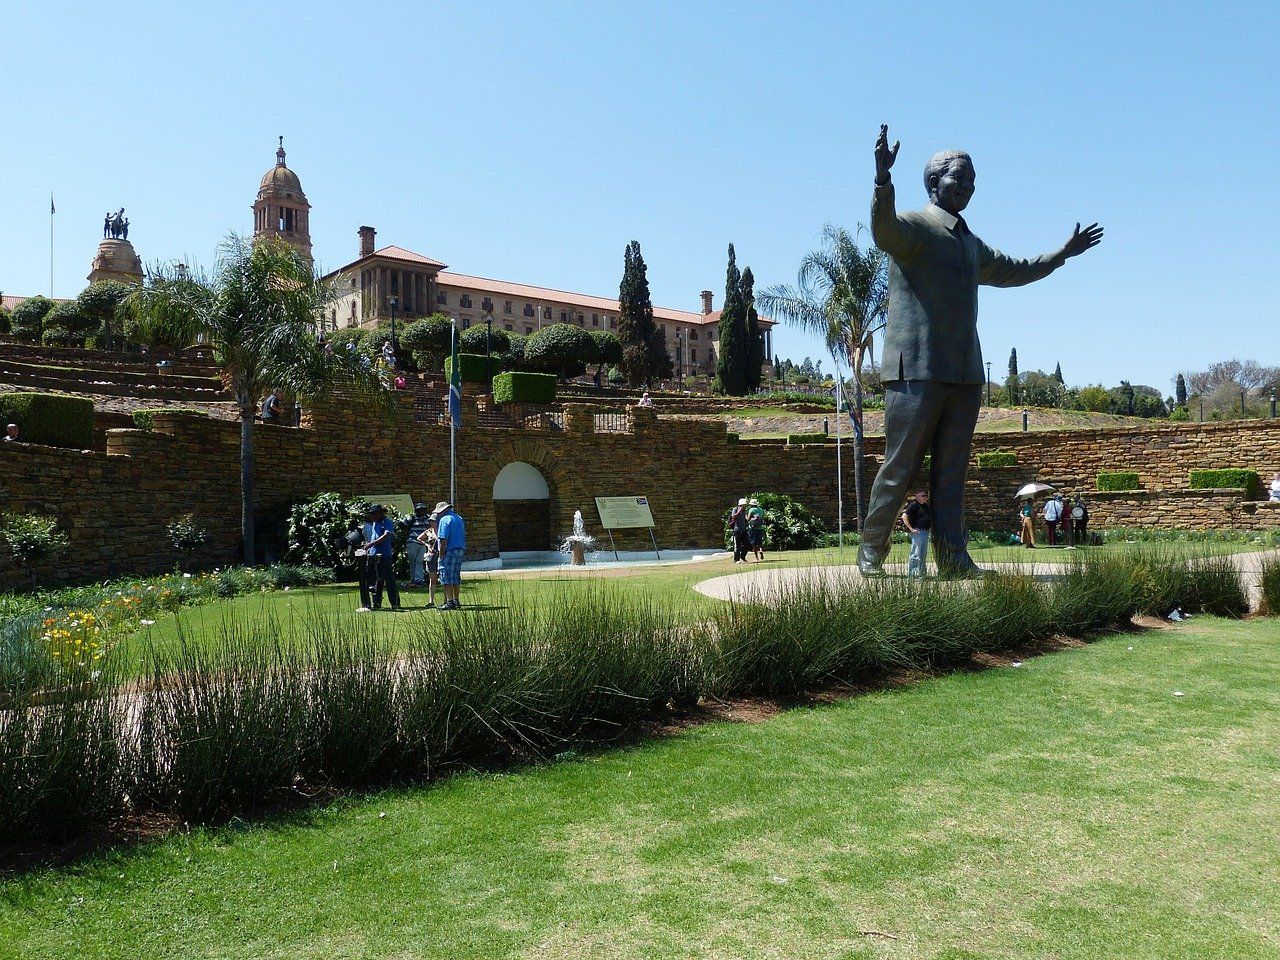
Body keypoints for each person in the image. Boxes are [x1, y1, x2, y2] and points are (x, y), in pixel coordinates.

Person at [856, 124, 1102, 579]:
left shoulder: (970, 244)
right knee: (900, 468)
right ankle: (871, 553)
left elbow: (1017, 270)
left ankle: (953, 557)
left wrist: (1062, 253)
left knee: (951, 476)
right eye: (958, 179)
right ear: (934, 184)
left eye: (972, 181)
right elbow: (882, 230)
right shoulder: (913, 227)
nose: (967, 188)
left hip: (964, 373)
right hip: (916, 372)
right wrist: (881, 181)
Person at [360, 504, 400, 611]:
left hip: (384, 554)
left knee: (389, 579)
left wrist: (372, 543)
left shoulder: (387, 522)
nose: (373, 516)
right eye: (372, 514)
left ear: (381, 513)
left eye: (375, 514)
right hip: (373, 554)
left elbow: (387, 535)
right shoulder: (374, 523)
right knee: (376, 580)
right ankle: (376, 603)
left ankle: (395, 603)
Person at [433, 501, 466, 611]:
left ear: (443, 511)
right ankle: (456, 600)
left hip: (449, 551)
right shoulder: (459, 518)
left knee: (445, 575)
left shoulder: (444, 519)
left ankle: (449, 601)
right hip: (460, 550)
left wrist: (441, 554)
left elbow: (443, 539)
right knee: (455, 575)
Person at [902, 489, 931, 577]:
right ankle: (913, 575)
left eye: (926, 495)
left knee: (923, 554)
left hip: (925, 532)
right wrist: (911, 529)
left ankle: (922, 574)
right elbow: (904, 516)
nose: (925, 497)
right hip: (918, 532)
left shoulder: (925, 506)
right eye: (923, 495)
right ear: (917, 496)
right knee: (915, 554)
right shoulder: (914, 505)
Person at [415, 516, 441, 608]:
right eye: (430, 521)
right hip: (431, 556)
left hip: (440, 555)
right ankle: (431, 601)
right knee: (432, 579)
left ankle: (447, 599)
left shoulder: (442, 530)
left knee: (443, 578)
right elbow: (419, 538)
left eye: (433, 521)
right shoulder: (428, 531)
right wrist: (427, 544)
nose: (431, 523)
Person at [406, 502, 433, 587]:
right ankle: (413, 578)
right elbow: (402, 524)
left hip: (423, 542)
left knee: (420, 561)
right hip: (412, 542)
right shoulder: (412, 518)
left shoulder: (428, 518)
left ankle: (419, 579)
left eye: (423, 509)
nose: (422, 511)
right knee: (412, 561)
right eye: (420, 509)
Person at [727, 498, 749, 563]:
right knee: (737, 546)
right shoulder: (735, 509)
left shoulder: (745, 510)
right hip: (737, 530)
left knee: (746, 544)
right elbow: (733, 517)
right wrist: (739, 511)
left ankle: (742, 557)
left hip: (744, 530)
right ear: (740, 504)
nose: (744, 506)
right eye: (743, 505)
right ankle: (736, 559)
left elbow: (746, 519)